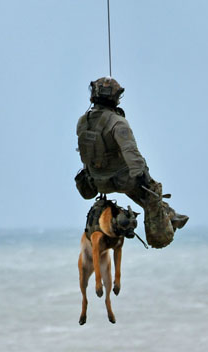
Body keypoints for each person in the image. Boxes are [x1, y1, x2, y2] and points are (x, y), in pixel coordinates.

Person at [76, 77, 188, 247]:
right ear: (115, 97)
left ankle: (171, 214)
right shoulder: (118, 123)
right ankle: (167, 219)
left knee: (135, 187)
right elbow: (133, 157)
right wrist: (146, 182)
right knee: (147, 192)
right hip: (120, 180)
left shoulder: (83, 121)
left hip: (97, 182)